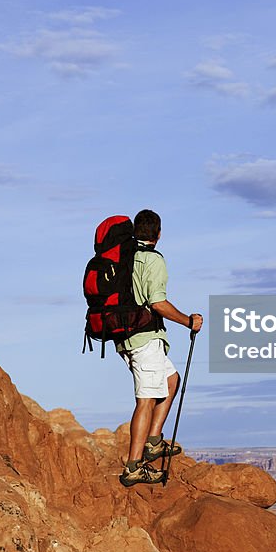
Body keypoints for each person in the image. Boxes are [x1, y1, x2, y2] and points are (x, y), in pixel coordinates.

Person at [116, 208, 203, 487]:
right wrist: (188, 321)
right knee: (145, 400)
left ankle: (153, 441)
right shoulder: (153, 261)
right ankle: (133, 466)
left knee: (170, 379)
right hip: (144, 339)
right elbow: (158, 303)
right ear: (159, 234)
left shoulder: (125, 258)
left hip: (127, 336)